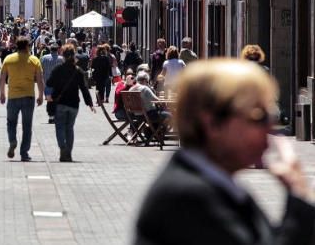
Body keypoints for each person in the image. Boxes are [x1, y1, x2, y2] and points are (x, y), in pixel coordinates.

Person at [134, 59, 315, 245]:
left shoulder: (218, 184)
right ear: (211, 123)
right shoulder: (188, 198)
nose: (270, 126)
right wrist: (299, 195)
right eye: (258, 116)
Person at [45, 44, 94, 162]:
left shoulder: (58, 69)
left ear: (63, 55)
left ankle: (63, 148)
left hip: (60, 103)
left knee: (60, 127)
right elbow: (84, 88)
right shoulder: (78, 71)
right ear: (73, 55)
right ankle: (68, 153)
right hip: (73, 104)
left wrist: (50, 94)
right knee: (69, 128)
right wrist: (90, 103)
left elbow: (49, 83)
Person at [0, 36, 45, 162]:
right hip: (28, 96)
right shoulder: (34, 60)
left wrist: (2, 93)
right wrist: (41, 95)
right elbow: (40, 80)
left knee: (11, 122)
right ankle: (24, 152)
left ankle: (13, 140)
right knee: (27, 126)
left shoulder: (9, 59)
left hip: (13, 96)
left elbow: (2, 78)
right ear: (27, 46)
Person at [40, 44, 64, 124]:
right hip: (59, 84)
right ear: (57, 50)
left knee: (49, 100)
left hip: (47, 83)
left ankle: (51, 117)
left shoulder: (44, 58)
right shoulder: (61, 59)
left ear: (50, 50)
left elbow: (41, 69)